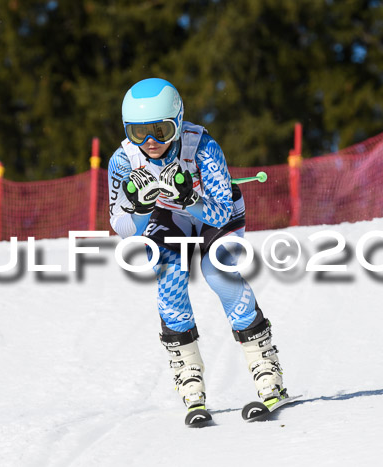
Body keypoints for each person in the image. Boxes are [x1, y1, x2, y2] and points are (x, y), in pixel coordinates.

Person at [107, 77, 286, 414]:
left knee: (217, 271)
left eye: (160, 131)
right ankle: (188, 374)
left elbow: (219, 211)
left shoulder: (202, 147)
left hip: (215, 213)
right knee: (169, 272)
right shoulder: (123, 161)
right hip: (171, 216)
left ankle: (266, 368)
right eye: (137, 133)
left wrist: (188, 198)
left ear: (177, 122)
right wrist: (141, 210)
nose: (149, 142)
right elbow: (123, 229)